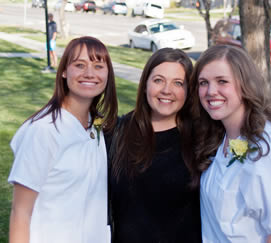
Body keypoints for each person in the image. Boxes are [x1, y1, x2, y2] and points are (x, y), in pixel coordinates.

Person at [190, 44, 271, 243]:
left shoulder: (267, 149)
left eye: (222, 81)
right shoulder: (222, 138)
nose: (211, 91)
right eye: (203, 82)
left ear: (245, 85)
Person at [8, 36, 118, 243]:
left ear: (107, 74)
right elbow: (20, 212)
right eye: (79, 65)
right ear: (64, 71)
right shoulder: (42, 131)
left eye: (98, 66)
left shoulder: (95, 128)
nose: (89, 73)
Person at [109, 48, 202, 243]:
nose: (166, 90)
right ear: (145, 85)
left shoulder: (201, 138)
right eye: (158, 80)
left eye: (178, 83)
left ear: (188, 91)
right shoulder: (119, 131)